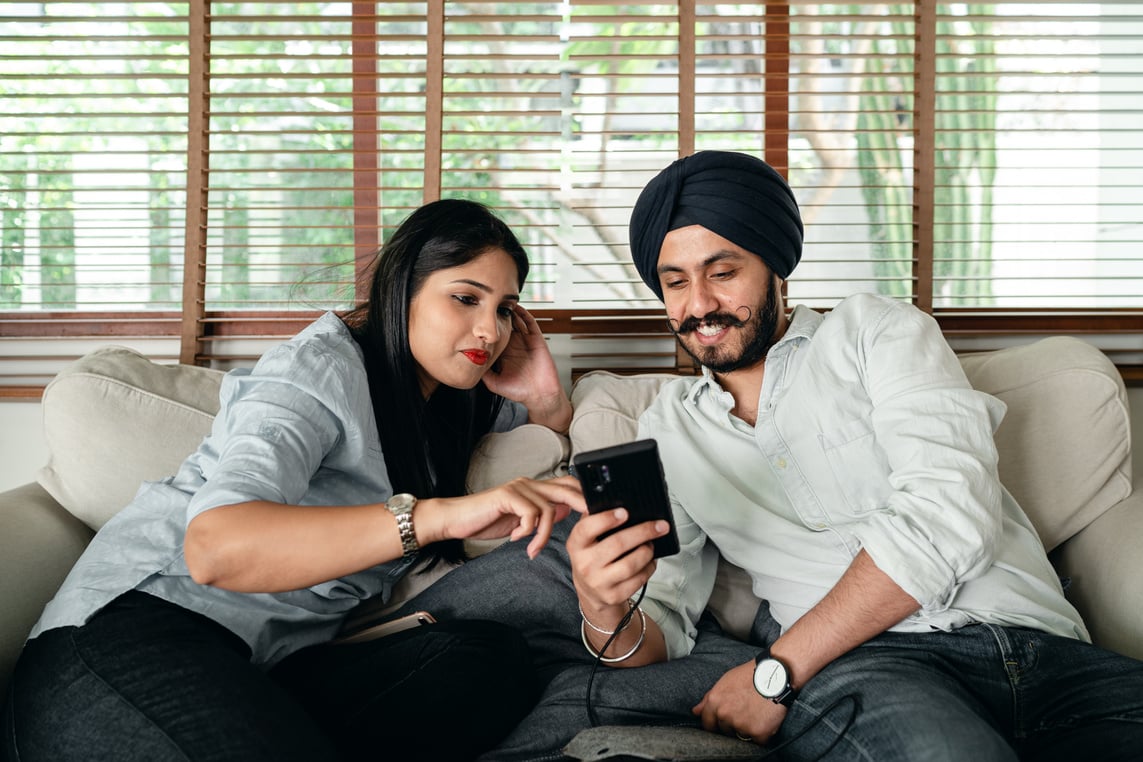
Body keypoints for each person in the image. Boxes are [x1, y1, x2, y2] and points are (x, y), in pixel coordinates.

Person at [564, 150, 1143, 760]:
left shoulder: (879, 333)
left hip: (1042, 648)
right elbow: (661, 627)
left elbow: (947, 516)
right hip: (871, 671)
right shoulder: (670, 430)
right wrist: (600, 604)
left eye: (723, 272)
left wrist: (777, 670)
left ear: (776, 268)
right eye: (676, 282)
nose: (699, 305)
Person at [0, 198, 588, 762]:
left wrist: (544, 399)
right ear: (400, 290)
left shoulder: (453, 402)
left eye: (506, 309)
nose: (490, 329)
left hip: (271, 667)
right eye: (466, 298)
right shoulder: (318, 368)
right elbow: (215, 547)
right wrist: (437, 517)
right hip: (133, 636)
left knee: (492, 661)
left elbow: (547, 425)